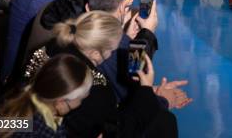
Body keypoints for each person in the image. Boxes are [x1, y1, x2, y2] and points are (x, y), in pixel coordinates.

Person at [23, 11, 177, 137]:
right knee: (164, 122)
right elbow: (121, 129)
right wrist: (149, 92)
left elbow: (1, 124)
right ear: (62, 102)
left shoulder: (55, 46)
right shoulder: (91, 89)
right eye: (112, 50)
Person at [0, 54, 93, 138]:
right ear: (61, 103)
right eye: (81, 98)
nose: (87, 95)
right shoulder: (46, 133)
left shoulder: (21, 93)